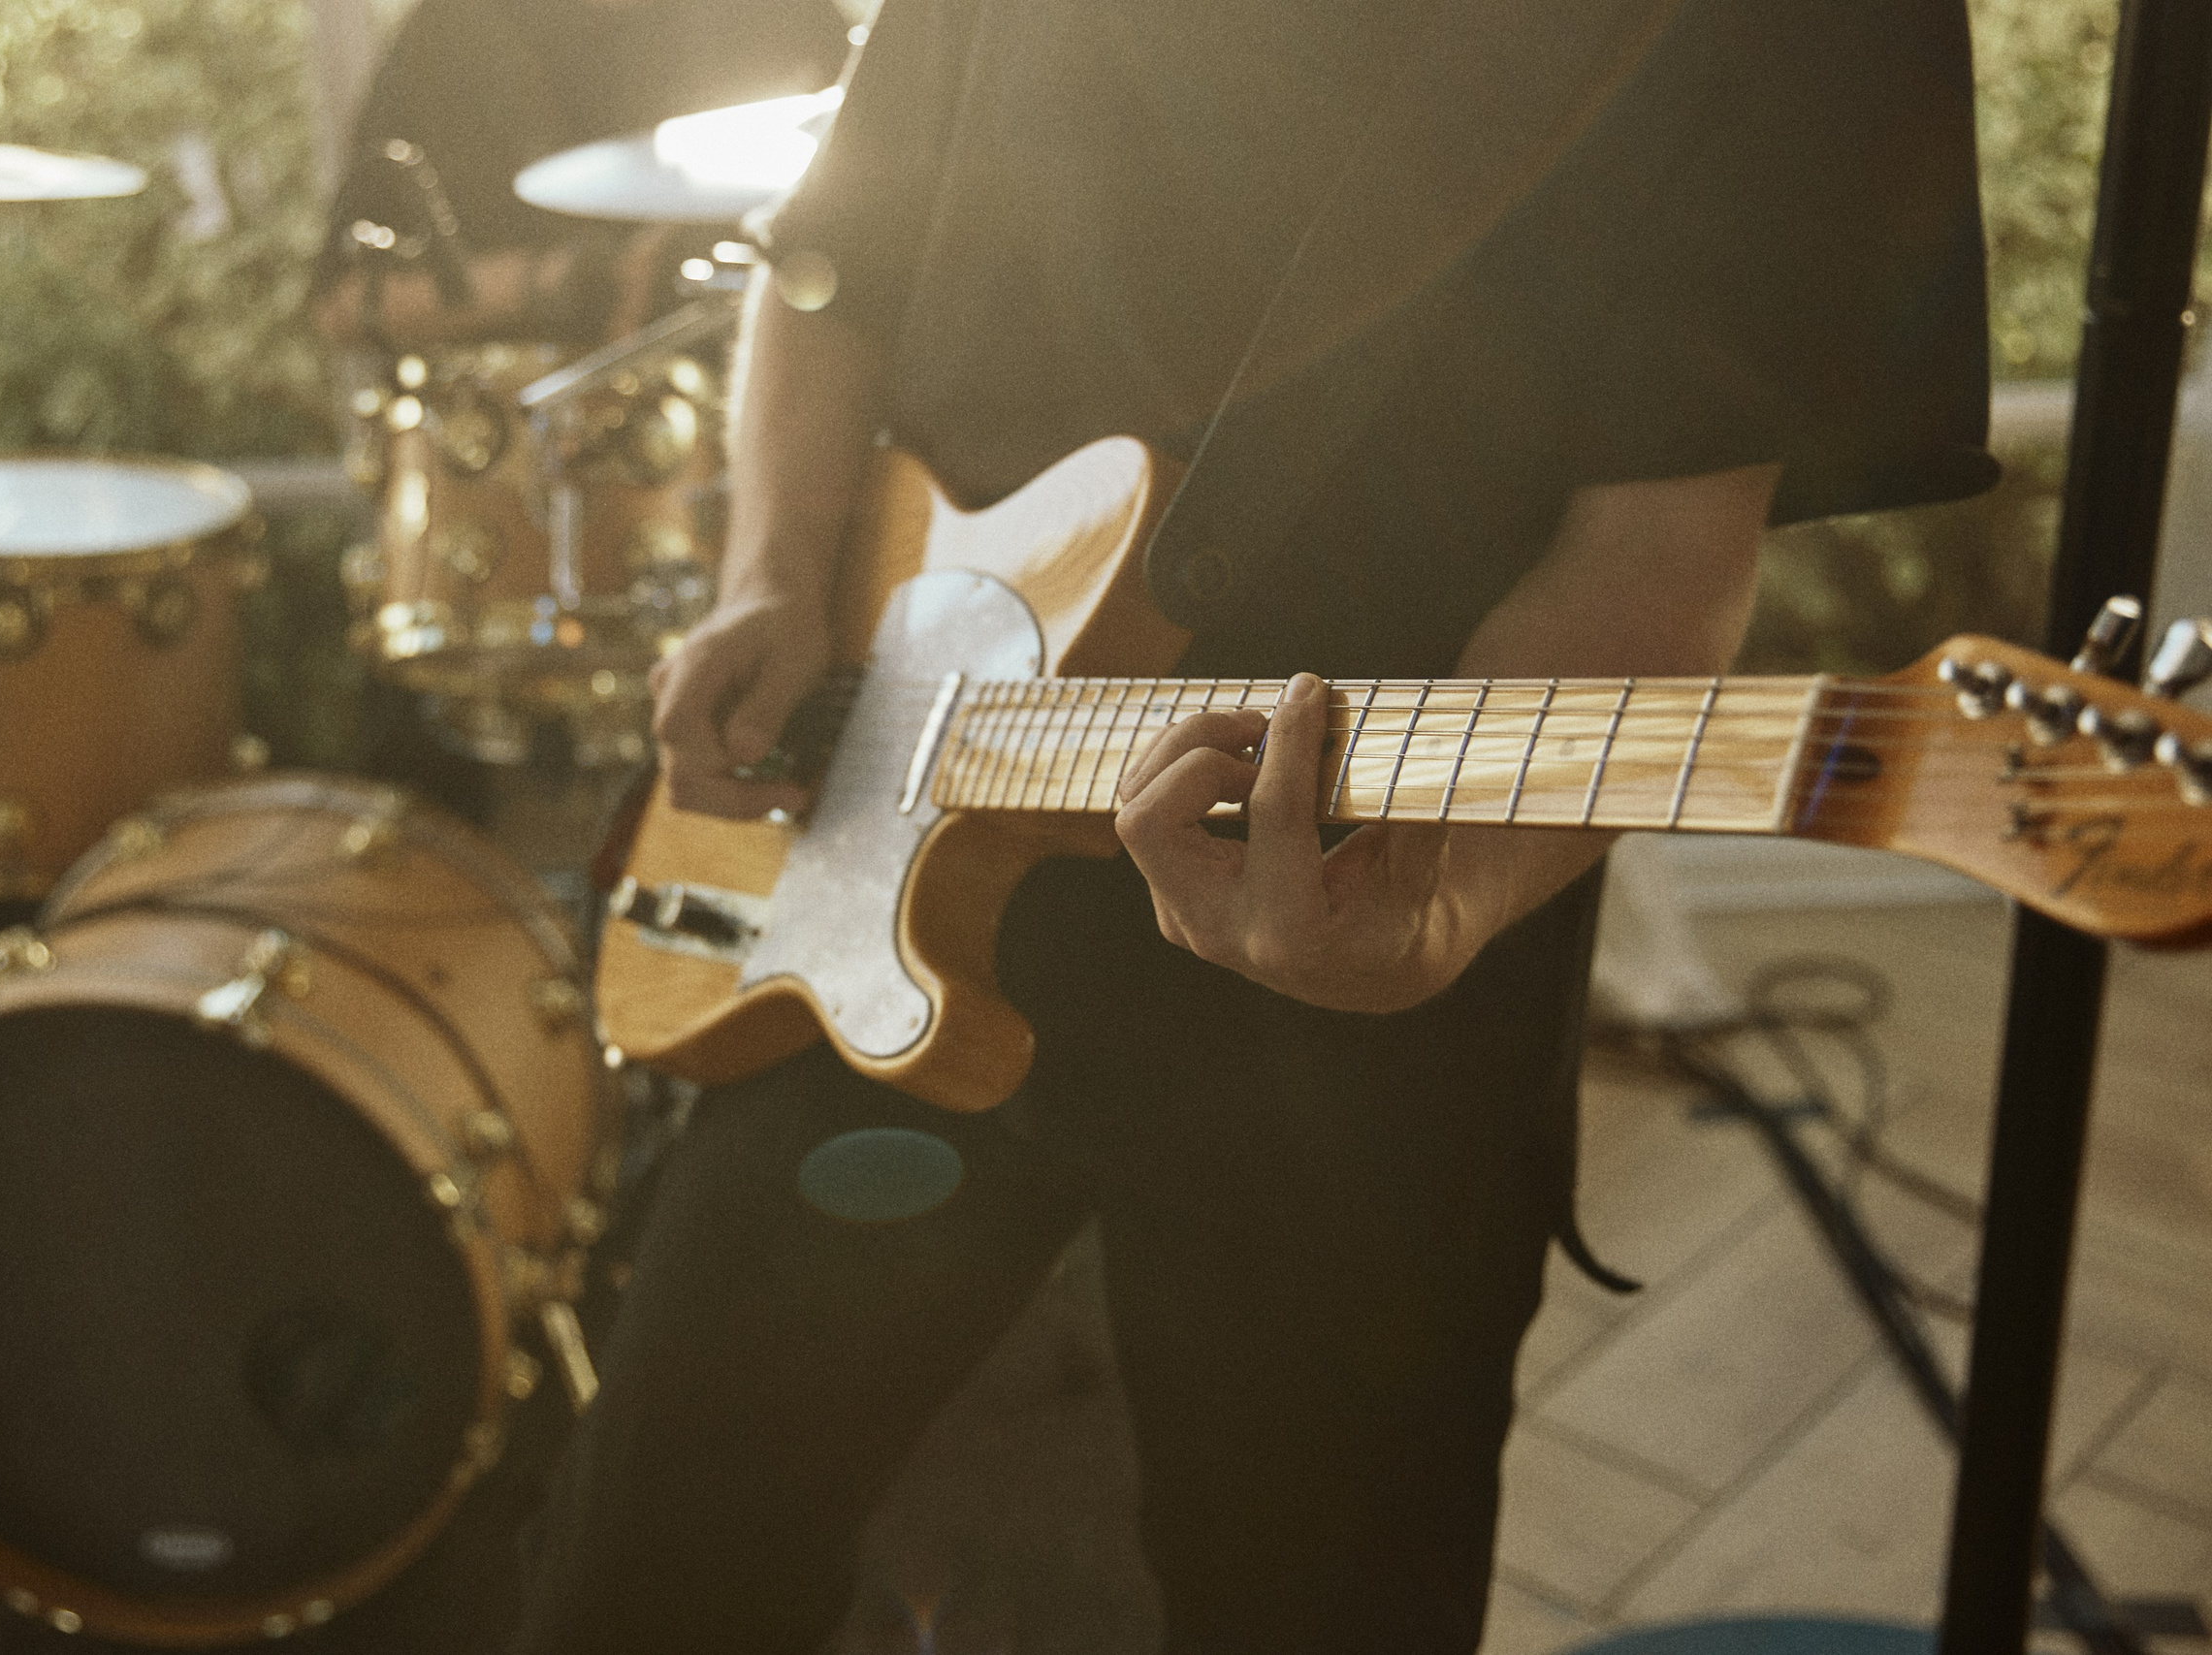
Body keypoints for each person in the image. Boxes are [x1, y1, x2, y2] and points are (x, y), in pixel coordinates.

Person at [524, 0, 2000, 1648]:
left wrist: (1449, 895)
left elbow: (1659, 545)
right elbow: (828, 268)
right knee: (645, 1578)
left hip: (1364, 943)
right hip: (854, 854)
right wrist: (773, 571)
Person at [310, 0, 852, 349]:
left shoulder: (783, 17)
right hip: (519, 452)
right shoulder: (451, 35)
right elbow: (340, 306)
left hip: (753, 416)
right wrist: (557, 283)